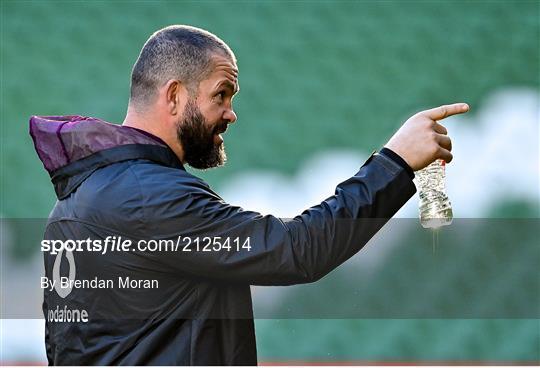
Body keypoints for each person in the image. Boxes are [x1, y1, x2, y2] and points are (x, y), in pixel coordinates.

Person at [30, 25, 469, 365]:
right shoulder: (151, 198)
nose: (231, 113)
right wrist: (395, 163)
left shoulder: (75, 201)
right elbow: (297, 251)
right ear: (175, 96)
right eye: (221, 95)